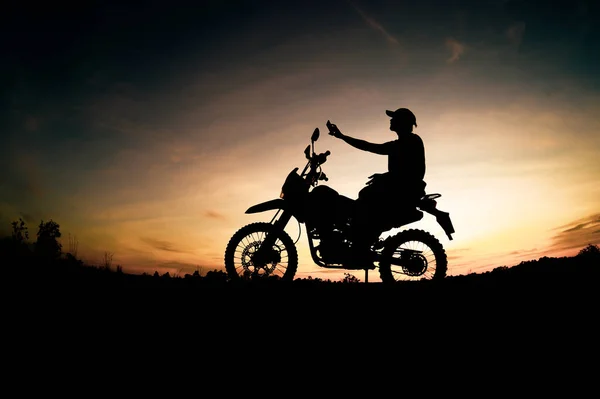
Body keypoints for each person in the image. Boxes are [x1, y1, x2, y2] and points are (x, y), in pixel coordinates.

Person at [327, 107, 427, 268]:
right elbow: (369, 147)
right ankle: (358, 242)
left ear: (402, 122)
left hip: (405, 192)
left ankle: (361, 248)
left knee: (365, 199)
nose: (391, 120)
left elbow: (413, 172)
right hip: (399, 189)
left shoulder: (411, 141)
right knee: (364, 195)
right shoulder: (400, 143)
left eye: (394, 118)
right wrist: (341, 136)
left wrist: (386, 177)